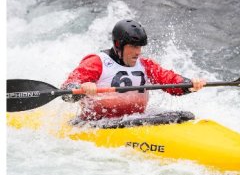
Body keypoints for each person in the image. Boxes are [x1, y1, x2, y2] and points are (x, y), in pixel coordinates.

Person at [61, 19, 205, 121]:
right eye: (134, 47)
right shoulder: (96, 62)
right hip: (97, 123)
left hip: (136, 120)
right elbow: (67, 91)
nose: (139, 52)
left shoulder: (144, 65)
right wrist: (80, 89)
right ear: (119, 45)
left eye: (140, 47)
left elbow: (168, 79)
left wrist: (188, 84)